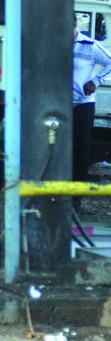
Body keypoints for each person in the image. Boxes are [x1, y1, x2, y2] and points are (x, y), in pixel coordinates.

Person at [72, 13, 111, 210]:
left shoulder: (88, 45)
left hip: (82, 105)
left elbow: (110, 62)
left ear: (75, 25)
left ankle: (75, 197)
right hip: (58, 104)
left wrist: (96, 81)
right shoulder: (56, 44)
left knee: (80, 150)